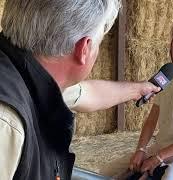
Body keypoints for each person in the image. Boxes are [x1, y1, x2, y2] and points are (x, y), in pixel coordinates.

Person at [0, 0, 160, 180]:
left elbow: (88, 93)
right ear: (84, 49)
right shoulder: (6, 122)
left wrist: (138, 89)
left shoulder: (27, 76)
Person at [101, 12, 173, 179]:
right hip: (159, 147)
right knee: (109, 172)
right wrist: (141, 150)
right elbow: (151, 121)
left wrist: (159, 158)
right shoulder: (166, 77)